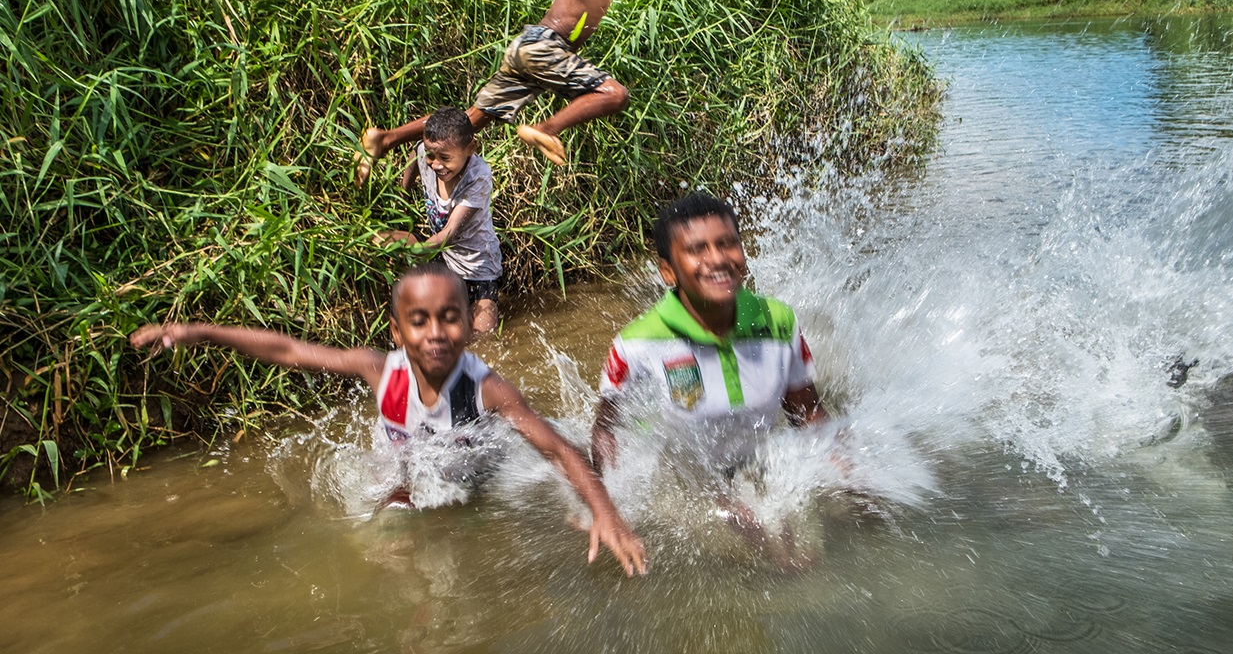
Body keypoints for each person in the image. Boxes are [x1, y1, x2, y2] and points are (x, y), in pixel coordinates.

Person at [130, 262, 648, 577]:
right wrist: (199, 330)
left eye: (450, 317)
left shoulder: (487, 389)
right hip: (409, 457)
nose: (435, 332)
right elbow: (288, 349)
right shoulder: (378, 369)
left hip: (477, 464)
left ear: (469, 326)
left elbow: (556, 449)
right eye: (418, 321)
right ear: (398, 333)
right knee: (391, 516)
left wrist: (605, 510)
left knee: (463, 514)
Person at [355, 0, 656, 179]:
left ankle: (384, 138)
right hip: (546, 49)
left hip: (529, 47)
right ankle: (547, 129)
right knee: (615, 95)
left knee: (467, 123)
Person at [590, 191, 829, 476]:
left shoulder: (778, 322)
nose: (717, 259)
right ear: (668, 272)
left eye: (728, 244)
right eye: (696, 250)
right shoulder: (638, 344)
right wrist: (608, 503)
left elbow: (808, 415)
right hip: (678, 477)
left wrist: (845, 470)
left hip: (752, 464)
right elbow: (607, 429)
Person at [376, 107, 502, 335]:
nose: (435, 164)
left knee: (483, 340)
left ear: (470, 149)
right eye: (431, 156)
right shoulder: (425, 153)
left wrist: (416, 251)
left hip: (476, 268)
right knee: (379, 238)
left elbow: (448, 235)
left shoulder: (478, 176)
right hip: (441, 254)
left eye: (445, 158)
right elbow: (414, 158)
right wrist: (401, 196)